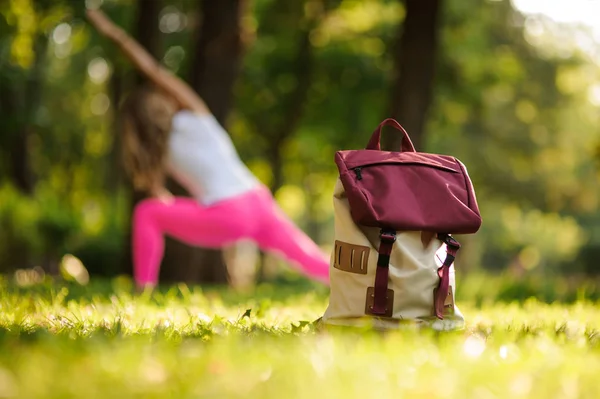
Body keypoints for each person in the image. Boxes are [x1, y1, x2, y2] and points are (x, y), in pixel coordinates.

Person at [85, 9, 329, 289]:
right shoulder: (196, 114)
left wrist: (112, 34)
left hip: (228, 215)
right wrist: (115, 34)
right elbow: (153, 70)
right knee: (307, 255)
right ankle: (369, 287)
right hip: (258, 199)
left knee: (147, 213)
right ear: (158, 104)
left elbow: (160, 200)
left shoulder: (156, 154)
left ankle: (143, 289)